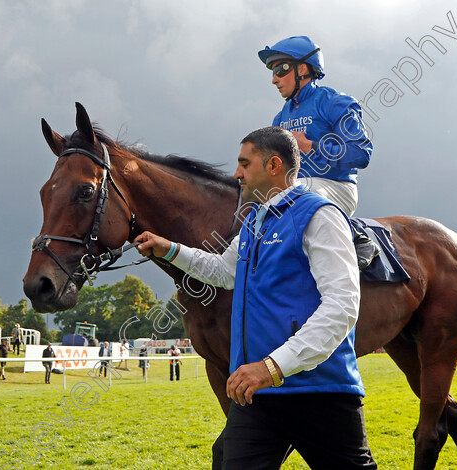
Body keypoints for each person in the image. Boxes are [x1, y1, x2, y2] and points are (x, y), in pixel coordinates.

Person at [135, 127, 376, 469]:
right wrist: (170, 249)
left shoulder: (319, 215)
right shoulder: (253, 222)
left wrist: (273, 367)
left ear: (274, 165)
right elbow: (222, 271)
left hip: (320, 393)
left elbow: (343, 305)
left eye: (245, 164)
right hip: (257, 394)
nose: (236, 174)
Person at [259, 35, 379, 268]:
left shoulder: (335, 102)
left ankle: (358, 238)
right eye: (272, 72)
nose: (274, 79)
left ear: (302, 69)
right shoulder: (280, 117)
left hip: (336, 188)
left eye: (280, 70)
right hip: (295, 190)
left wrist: (310, 147)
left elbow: (361, 154)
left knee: (297, 191)